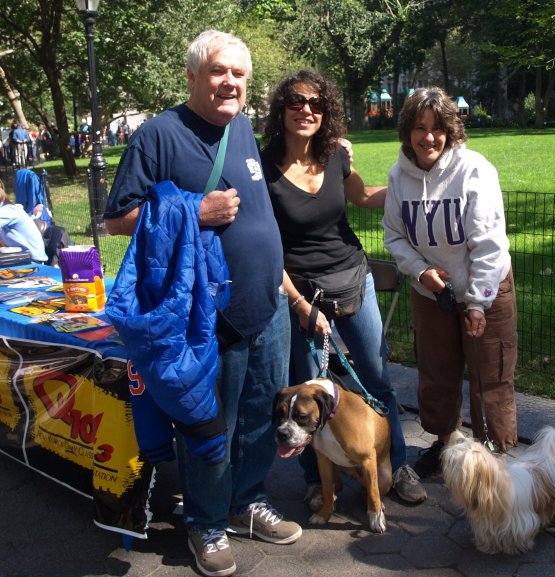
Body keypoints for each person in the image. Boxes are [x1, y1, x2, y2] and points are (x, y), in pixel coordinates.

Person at [103, 30, 299, 577]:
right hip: (206, 318)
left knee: (262, 416)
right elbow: (118, 219)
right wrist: (193, 210)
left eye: (239, 73)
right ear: (192, 76)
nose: (230, 82)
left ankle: (248, 502)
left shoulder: (242, 129)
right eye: (219, 71)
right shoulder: (159, 135)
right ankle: (207, 525)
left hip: (268, 307)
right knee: (209, 426)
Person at [260, 70, 427, 507]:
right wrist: (297, 304)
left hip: (353, 278)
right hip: (301, 294)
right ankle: (317, 478)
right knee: (307, 389)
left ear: (326, 112)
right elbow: (267, 247)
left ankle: (398, 462)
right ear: (282, 108)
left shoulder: (336, 155)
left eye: (316, 104)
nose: (306, 110)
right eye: (296, 101)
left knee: (376, 380)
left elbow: (364, 197)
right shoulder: (263, 168)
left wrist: (419, 182)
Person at [383, 86, 519, 478]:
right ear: (407, 131)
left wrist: (477, 301)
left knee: (489, 374)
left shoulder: (475, 170)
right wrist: (420, 269)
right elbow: (394, 235)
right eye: (419, 128)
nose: (429, 137)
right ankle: (445, 444)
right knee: (436, 372)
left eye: (438, 128)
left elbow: (490, 244)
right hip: (432, 293)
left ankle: (492, 455)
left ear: (451, 131)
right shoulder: (399, 176)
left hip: (485, 286)